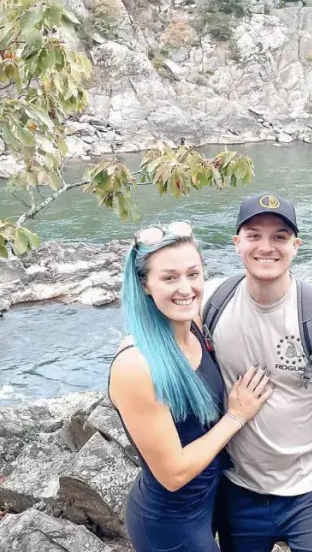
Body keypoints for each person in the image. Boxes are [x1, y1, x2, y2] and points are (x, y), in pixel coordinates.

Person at [203, 194, 312, 552]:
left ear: (295, 245)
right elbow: (161, 325)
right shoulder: (211, 304)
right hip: (239, 490)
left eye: (279, 236)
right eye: (254, 235)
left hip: (310, 491)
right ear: (237, 243)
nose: (266, 247)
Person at [109, 221, 276, 552]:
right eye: (169, 278)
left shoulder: (194, 326)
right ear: (145, 284)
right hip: (170, 525)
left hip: (209, 501)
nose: (185, 288)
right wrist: (236, 415)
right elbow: (173, 473)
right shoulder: (136, 366)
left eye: (193, 274)